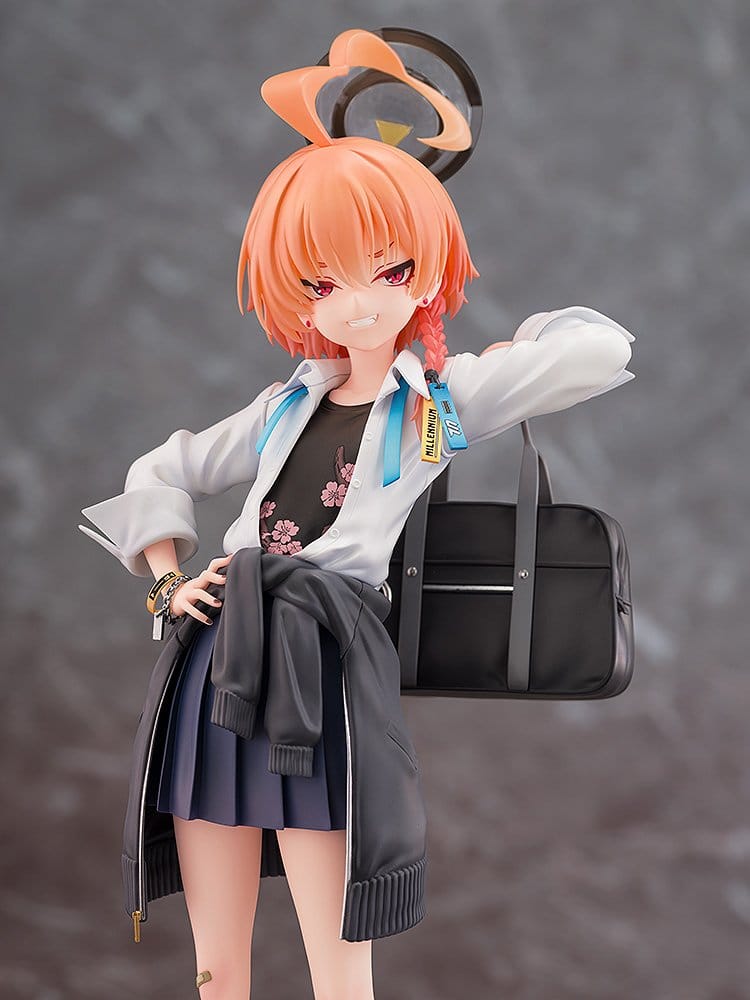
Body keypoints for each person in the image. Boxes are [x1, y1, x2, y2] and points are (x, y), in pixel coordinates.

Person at [78, 27, 636, 1000]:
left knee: (338, 964)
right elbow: (161, 468)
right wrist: (169, 581)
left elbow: (601, 352)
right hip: (219, 658)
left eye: (390, 269)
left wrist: (504, 354)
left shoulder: (436, 402)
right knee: (216, 966)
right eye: (323, 281)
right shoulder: (282, 404)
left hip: (323, 668)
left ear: (427, 267)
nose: (358, 304)